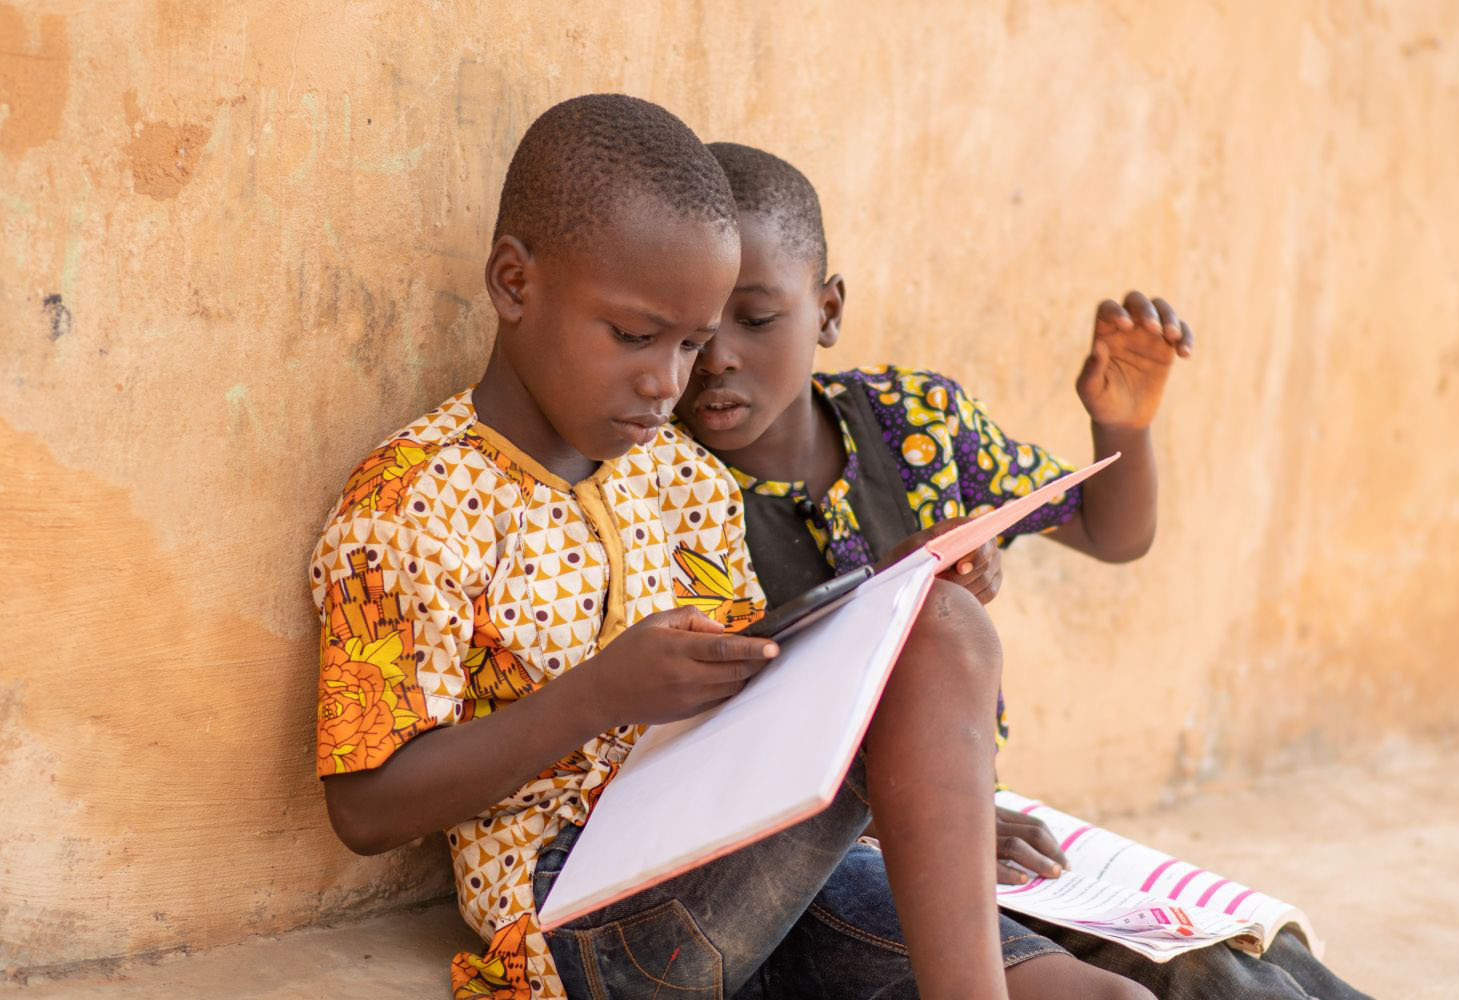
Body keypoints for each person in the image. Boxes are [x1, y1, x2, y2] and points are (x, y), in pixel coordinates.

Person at [311, 95, 1127, 1000]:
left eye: (692, 344)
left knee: (1105, 993)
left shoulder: (683, 478)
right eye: (632, 336)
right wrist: (599, 695)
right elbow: (365, 807)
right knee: (936, 633)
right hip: (584, 911)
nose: (669, 382)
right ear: (514, 282)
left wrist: (885, 605)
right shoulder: (412, 501)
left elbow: (754, 706)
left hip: (744, 854)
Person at [674, 140, 1374, 1000]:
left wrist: (1123, 427)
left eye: (755, 318)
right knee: (1142, 975)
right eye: (693, 330)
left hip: (973, 825)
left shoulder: (915, 420)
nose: (716, 360)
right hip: (819, 871)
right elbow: (713, 749)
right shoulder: (667, 492)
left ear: (826, 310)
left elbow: (1111, 532)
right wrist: (887, 606)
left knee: (1240, 963)